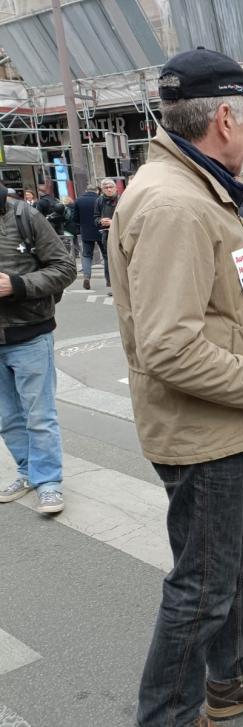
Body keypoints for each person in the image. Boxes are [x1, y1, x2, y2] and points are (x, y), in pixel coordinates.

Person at [108, 48, 243, 727]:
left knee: (242, 554)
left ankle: (231, 678)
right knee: (202, 585)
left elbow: (217, 310)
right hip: (202, 433)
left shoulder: (199, 188)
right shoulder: (176, 202)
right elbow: (169, 347)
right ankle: (167, 716)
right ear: (225, 118)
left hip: (224, 422)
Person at [0, 183, 76, 515]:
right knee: (7, 418)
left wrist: (17, 285)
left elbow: (64, 268)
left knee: (39, 416)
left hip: (29, 334)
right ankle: (28, 472)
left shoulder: (25, 215)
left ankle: (48, 482)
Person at [94, 179, 118, 295]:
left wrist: (113, 222)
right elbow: (95, 217)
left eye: (111, 187)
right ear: (102, 190)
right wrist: (100, 221)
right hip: (106, 235)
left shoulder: (122, 199)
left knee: (122, 260)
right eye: (106, 187)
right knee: (109, 261)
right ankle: (113, 286)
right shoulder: (99, 201)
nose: (109, 189)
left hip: (121, 234)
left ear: (115, 187)